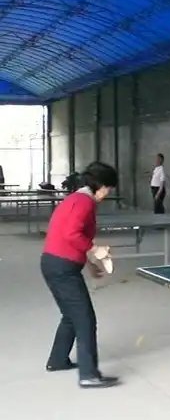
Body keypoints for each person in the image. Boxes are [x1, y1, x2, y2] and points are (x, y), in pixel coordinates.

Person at [41, 161, 120, 388]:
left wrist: (89, 263)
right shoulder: (83, 202)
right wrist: (96, 250)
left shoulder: (77, 199)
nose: (108, 192)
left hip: (55, 263)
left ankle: (57, 360)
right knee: (85, 319)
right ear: (100, 185)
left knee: (71, 315)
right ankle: (88, 375)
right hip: (61, 267)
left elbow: (72, 238)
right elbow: (71, 234)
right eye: (108, 187)